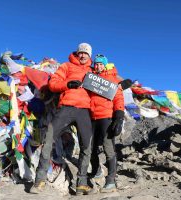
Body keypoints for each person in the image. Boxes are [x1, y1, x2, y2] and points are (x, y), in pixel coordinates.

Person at [32, 43, 94, 195]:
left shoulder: (92, 72)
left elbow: (107, 86)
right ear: (77, 53)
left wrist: (121, 85)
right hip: (67, 107)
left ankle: (81, 183)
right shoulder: (66, 66)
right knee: (48, 138)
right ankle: (40, 180)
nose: (83, 55)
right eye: (81, 52)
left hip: (85, 111)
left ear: (89, 56)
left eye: (86, 53)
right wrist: (68, 84)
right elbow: (53, 84)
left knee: (87, 145)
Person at [89, 54, 125, 193]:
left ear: (105, 65)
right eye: (96, 64)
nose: (98, 66)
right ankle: (97, 171)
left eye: (100, 64)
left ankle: (110, 180)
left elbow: (118, 98)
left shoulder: (112, 79)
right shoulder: (91, 78)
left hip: (106, 117)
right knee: (90, 146)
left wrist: (119, 116)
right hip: (92, 117)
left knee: (108, 147)